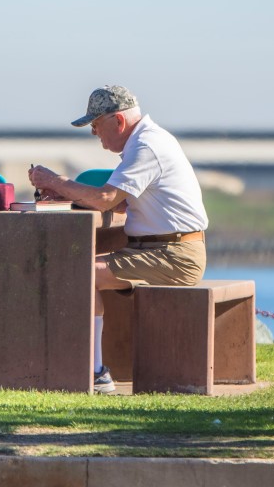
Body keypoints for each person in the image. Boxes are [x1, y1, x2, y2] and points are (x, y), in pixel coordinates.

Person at [29, 85, 208, 394]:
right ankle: (89, 366)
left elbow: (106, 198)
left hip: (174, 254)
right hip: (159, 247)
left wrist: (55, 181)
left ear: (118, 122)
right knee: (78, 264)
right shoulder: (146, 141)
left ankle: (96, 373)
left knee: (81, 274)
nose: (94, 134)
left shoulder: (147, 146)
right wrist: (65, 192)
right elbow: (120, 202)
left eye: (96, 126)